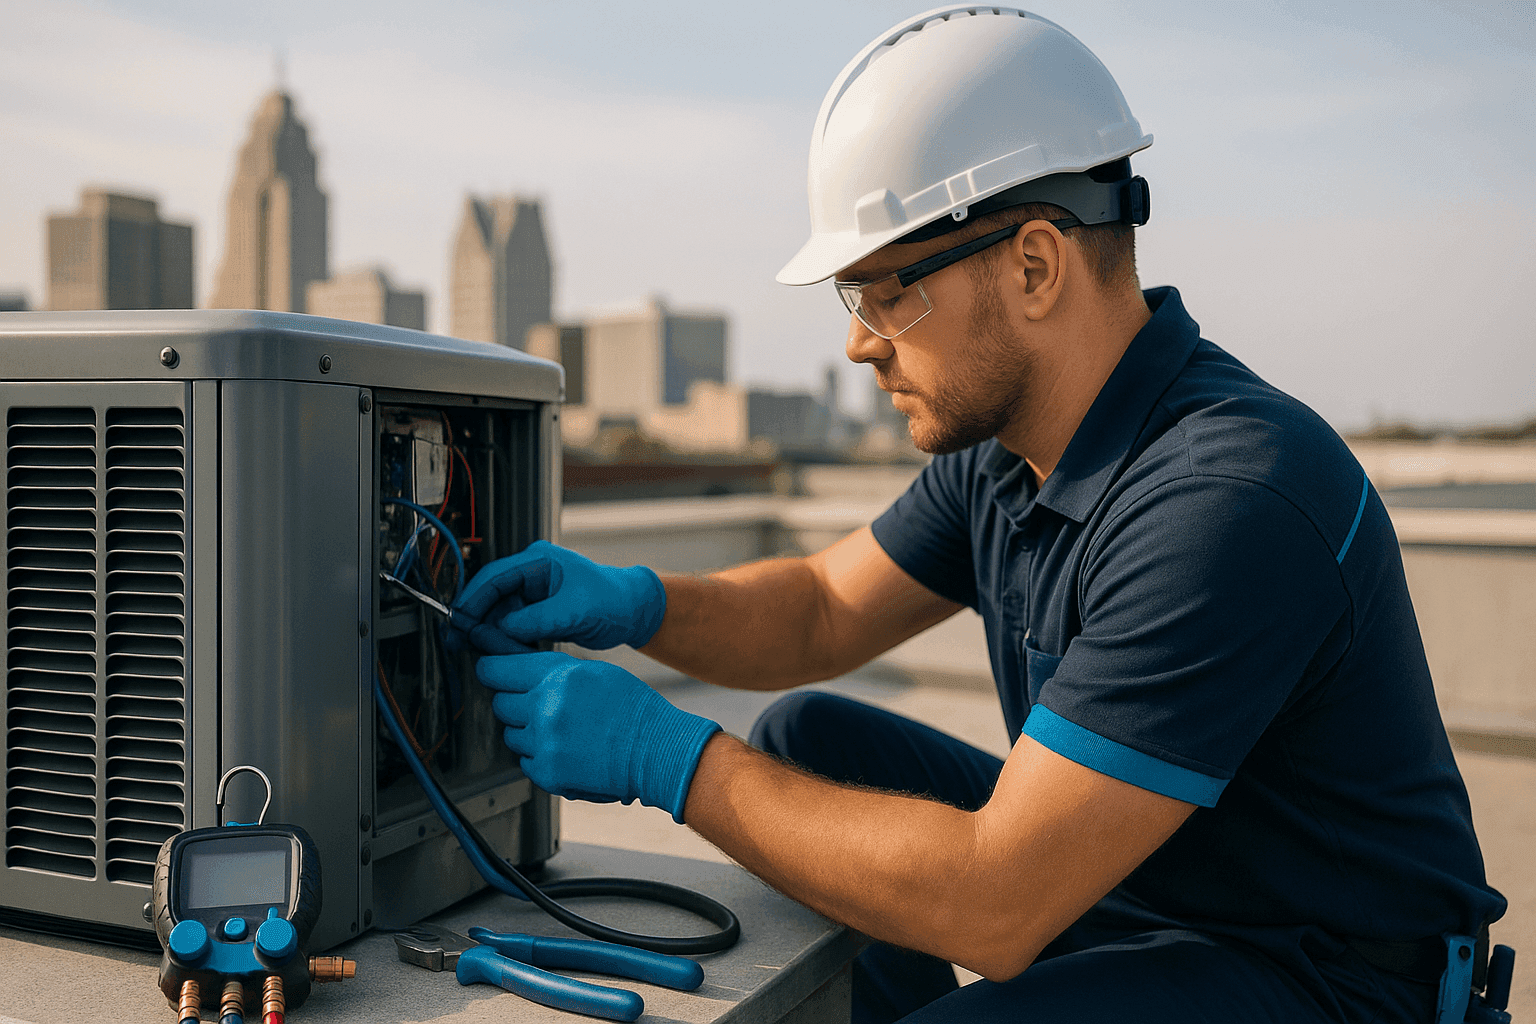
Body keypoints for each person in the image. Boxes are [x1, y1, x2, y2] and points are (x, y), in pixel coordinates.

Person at [448, 8, 1506, 1023]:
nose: (862, 344)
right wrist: (631, 603)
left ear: (1036, 265)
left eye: (886, 292)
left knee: (956, 880)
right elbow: (821, 607)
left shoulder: (1227, 497)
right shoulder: (1010, 454)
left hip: (1324, 977)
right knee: (812, 737)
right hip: (1145, 898)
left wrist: (664, 756)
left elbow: (996, 902)